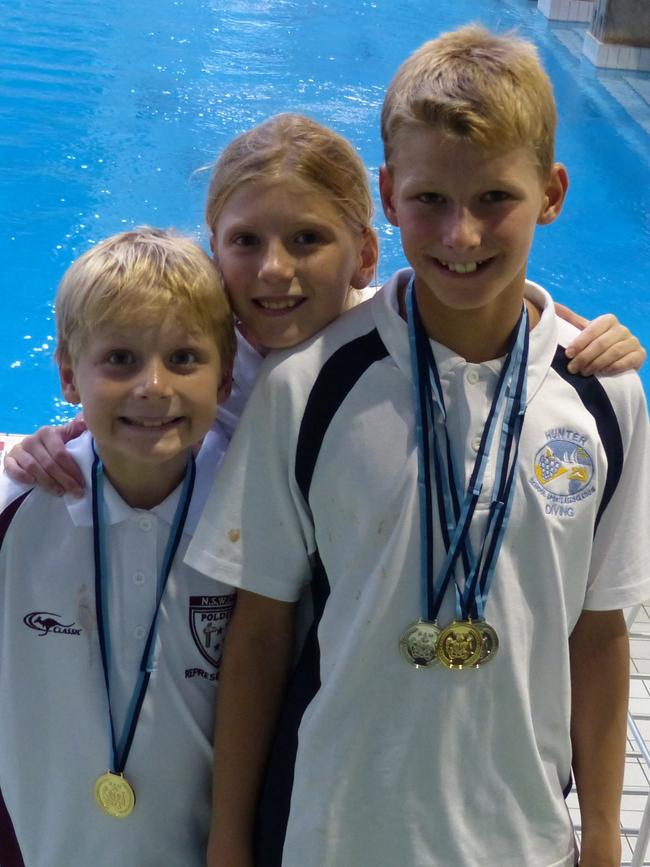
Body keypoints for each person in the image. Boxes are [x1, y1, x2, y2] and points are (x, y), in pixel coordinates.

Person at [186, 30, 650, 867]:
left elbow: (601, 632)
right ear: (390, 196)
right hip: (335, 829)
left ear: (551, 194)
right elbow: (260, 633)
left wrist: (605, 840)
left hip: (521, 836)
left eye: (494, 199)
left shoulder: (603, 394)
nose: (461, 234)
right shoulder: (309, 387)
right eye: (431, 199)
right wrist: (229, 839)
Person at [3, 114, 645, 496]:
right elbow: (118, 399)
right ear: (215, 250)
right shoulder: (191, 360)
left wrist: (562, 332)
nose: (274, 269)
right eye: (246, 241)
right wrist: (54, 441)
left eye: (307, 240)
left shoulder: (399, 336)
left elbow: (492, 325)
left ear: (365, 256)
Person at [0, 228, 237, 866]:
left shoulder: (258, 508)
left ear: (226, 378)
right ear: (69, 375)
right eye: (121, 360)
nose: (153, 387)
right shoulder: (15, 510)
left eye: (185, 359)